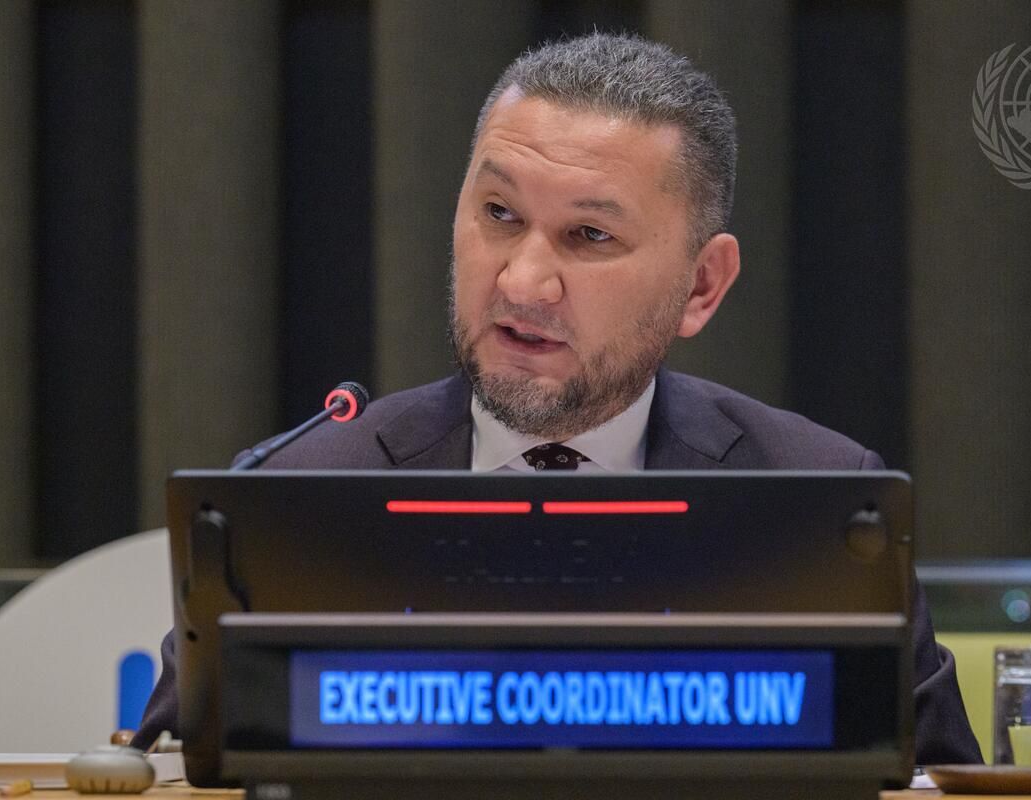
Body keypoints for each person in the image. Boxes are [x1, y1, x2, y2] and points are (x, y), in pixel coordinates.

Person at [135, 32, 981, 764]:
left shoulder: (818, 503)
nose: (523, 282)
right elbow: (171, 774)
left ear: (701, 285)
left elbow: (933, 783)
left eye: (590, 235)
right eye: (499, 213)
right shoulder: (299, 496)